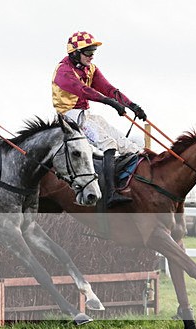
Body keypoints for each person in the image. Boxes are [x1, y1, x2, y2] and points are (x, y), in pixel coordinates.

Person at [52, 31, 147, 208]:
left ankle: (129, 186)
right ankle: (109, 195)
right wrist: (110, 103)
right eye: (88, 51)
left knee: (128, 146)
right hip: (69, 117)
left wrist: (131, 105)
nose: (92, 55)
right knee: (109, 144)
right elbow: (83, 90)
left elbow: (108, 89)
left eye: (93, 51)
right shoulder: (63, 71)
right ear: (74, 53)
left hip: (85, 114)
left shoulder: (90, 68)